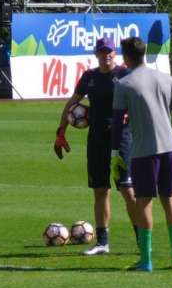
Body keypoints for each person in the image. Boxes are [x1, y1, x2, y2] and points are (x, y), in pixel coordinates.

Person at [54, 37, 138, 255]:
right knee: (100, 190)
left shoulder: (124, 74)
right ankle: (102, 243)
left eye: (109, 51)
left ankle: (142, 241)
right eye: (102, 51)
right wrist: (61, 132)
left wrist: (132, 114)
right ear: (97, 54)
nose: (106, 54)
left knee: (128, 191)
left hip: (120, 139)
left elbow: (141, 100)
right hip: (97, 139)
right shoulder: (89, 77)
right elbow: (72, 103)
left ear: (115, 53)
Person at [110, 37, 172, 272]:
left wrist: (115, 152)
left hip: (143, 151)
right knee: (169, 198)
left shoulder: (124, 84)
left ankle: (146, 260)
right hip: (169, 148)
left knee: (143, 202)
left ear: (126, 56)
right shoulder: (166, 78)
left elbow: (116, 122)